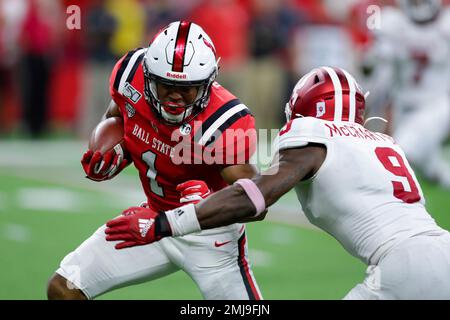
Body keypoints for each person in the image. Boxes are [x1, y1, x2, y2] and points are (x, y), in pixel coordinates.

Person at [106, 66, 450, 299]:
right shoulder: (386, 143)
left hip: (403, 264)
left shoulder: (313, 132)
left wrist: (166, 223)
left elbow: (254, 198)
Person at [47, 21, 262, 300]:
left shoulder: (225, 120)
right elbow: (118, 116)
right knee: (64, 289)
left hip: (210, 234)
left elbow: (256, 201)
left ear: (209, 83)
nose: (175, 96)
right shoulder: (130, 73)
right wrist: (116, 153)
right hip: (149, 221)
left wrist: (207, 199)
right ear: (148, 76)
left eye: (187, 89)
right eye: (166, 85)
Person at [364, 0, 450, 188]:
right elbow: (379, 71)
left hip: (436, 105)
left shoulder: (446, 23)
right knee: (429, 167)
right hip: (402, 106)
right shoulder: (392, 23)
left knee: (401, 154)